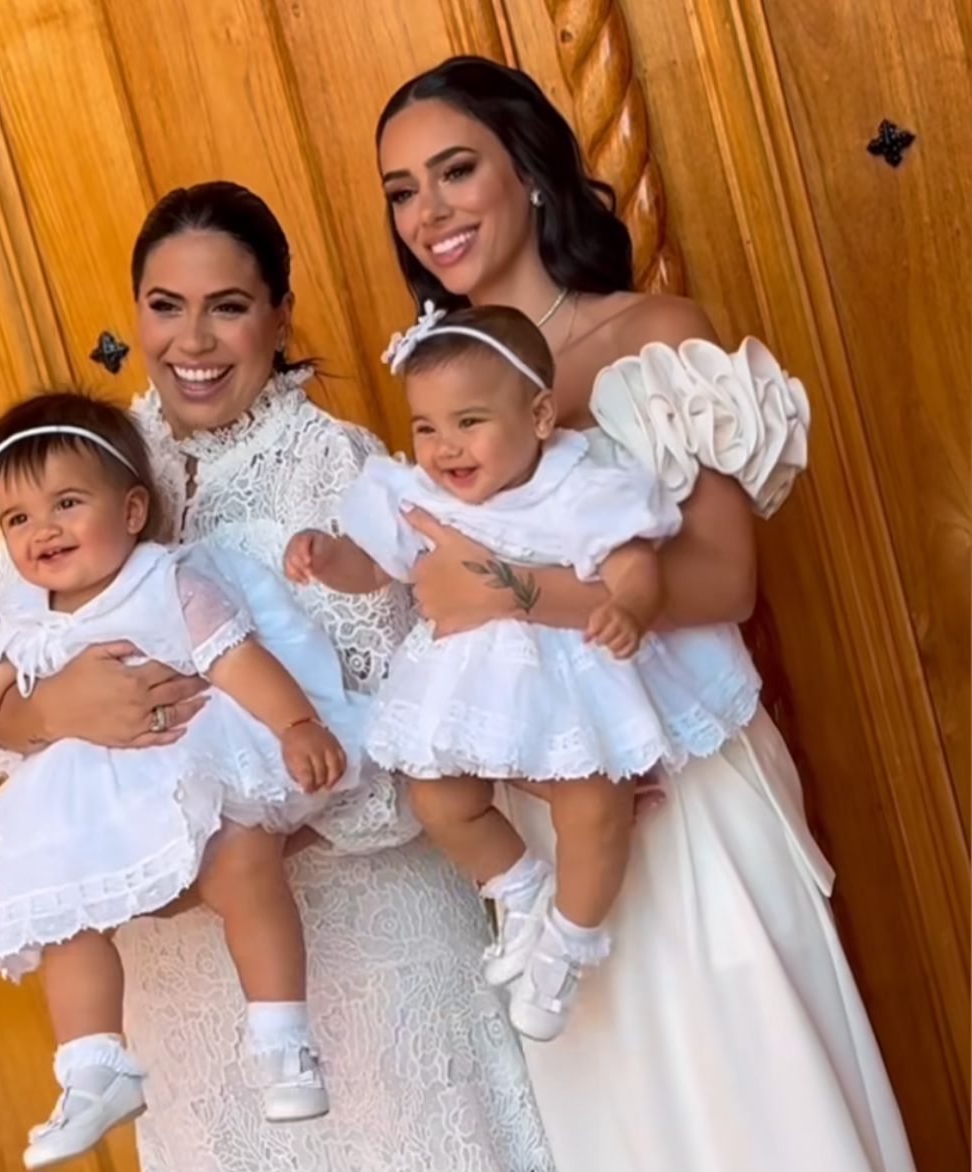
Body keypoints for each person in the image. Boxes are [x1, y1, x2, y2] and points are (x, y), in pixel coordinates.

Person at [372, 55, 915, 1172]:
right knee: (623, 1110)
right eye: (400, 190)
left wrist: (522, 592)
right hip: (546, 807)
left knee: (751, 1088)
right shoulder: (443, 391)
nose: (427, 212)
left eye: (453, 170)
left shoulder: (650, 334)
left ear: (529, 173)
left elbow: (725, 579)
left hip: (686, 777)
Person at [0, 182, 552, 1172]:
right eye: (165, 305)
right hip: (182, 995)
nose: (195, 339)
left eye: (227, 305)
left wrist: (226, 849)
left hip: (364, 947)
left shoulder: (345, 470)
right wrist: (48, 713)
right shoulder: (67, 472)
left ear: (278, 315)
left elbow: (426, 736)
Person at [0, 390, 371, 1166]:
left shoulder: (167, 582)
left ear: (133, 511)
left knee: (244, 863)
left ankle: (283, 1037)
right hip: (96, 795)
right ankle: (94, 1066)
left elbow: (236, 661)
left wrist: (295, 725)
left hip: (195, 768)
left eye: (67, 503)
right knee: (63, 913)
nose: (43, 531)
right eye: (18, 518)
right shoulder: (25, 623)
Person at [288, 301, 773, 1043]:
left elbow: (634, 563)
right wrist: (329, 559)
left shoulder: (574, 486)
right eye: (426, 427)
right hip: (473, 681)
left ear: (541, 416)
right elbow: (376, 565)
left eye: (469, 422)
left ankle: (572, 941)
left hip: (566, 678)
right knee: (438, 795)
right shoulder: (414, 493)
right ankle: (519, 886)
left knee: (594, 807)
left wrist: (631, 608)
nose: (444, 447)